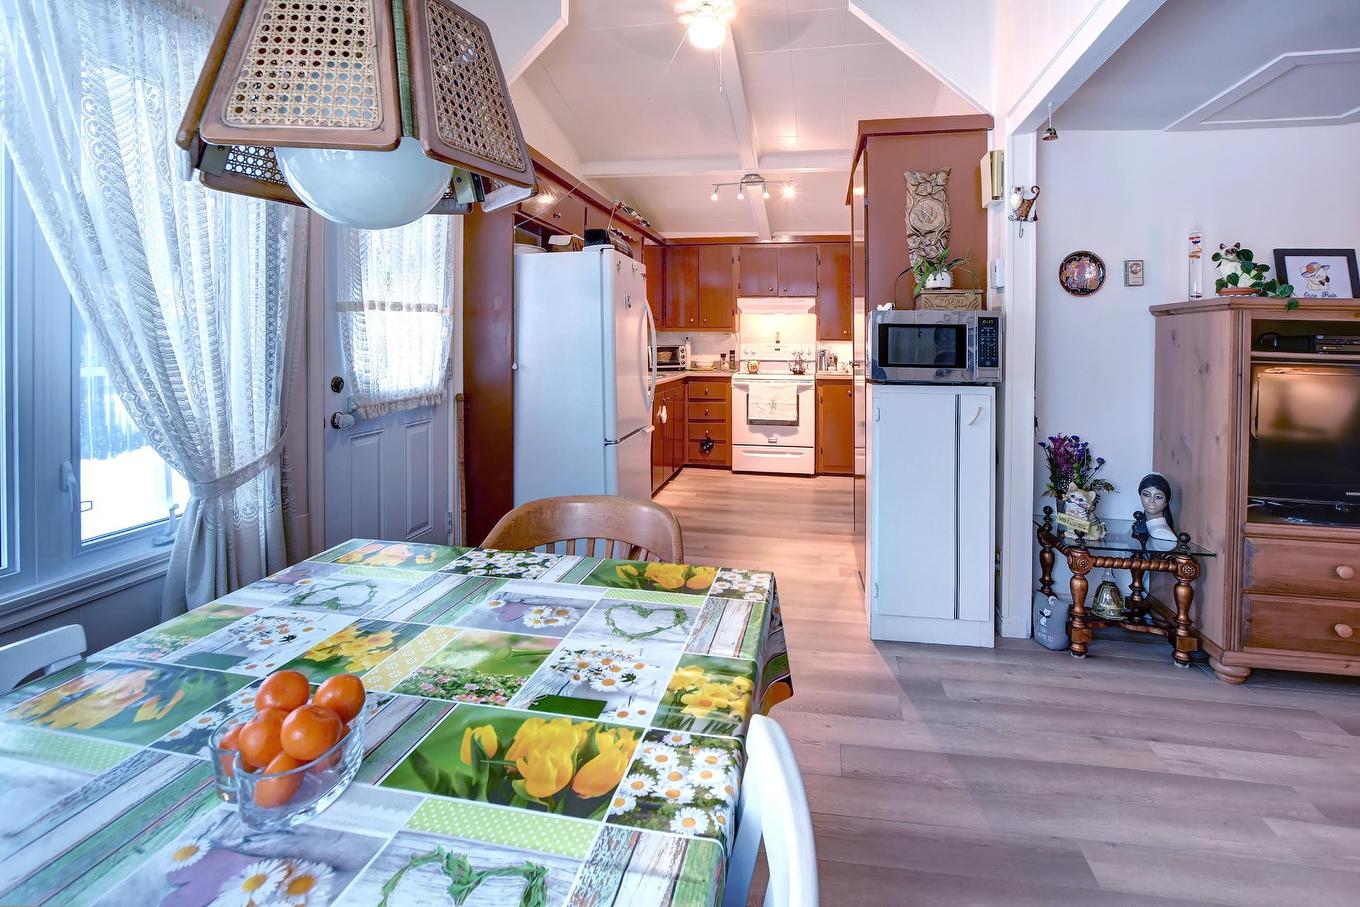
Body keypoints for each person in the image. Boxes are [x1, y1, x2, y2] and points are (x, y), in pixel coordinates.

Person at [1138, 473, 1176, 541]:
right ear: (1140, 496)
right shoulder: (1147, 524)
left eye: (1158, 497)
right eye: (1146, 494)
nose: (1151, 500)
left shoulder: (1162, 533)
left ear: (1166, 502)